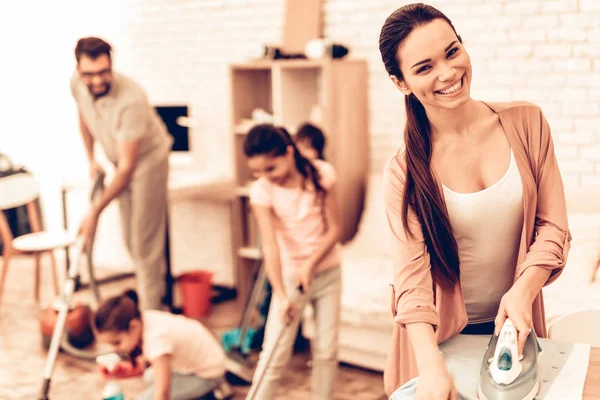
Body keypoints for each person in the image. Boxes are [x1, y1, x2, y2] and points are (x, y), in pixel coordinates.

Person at [378, 4, 571, 399]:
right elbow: (412, 285)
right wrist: (431, 370)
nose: (448, 74)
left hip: (514, 331)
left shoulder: (527, 123)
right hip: (437, 345)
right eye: (424, 67)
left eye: (452, 52)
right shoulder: (403, 172)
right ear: (401, 83)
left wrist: (522, 292)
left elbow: (553, 227)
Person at [70, 37, 173, 310]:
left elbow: (128, 168)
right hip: (121, 161)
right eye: (89, 74)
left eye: (104, 72)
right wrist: (91, 158)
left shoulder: (132, 100)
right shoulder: (77, 83)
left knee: (145, 244)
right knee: (131, 240)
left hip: (147, 161)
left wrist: (94, 212)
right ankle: (149, 304)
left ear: (112, 64)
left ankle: (150, 320)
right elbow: (84, 116)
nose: (96, 80)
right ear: (79, 68)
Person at [243, 124, 342, 399]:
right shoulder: (262, 191)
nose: (265, 177)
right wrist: (281, 293)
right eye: (257, 172)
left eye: (270, 168)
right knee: (274, 354)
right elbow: (271, 247)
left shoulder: (321, 174)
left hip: (329, 272)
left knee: (326, 350)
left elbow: (335, 229)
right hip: (288, 280)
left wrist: (309, 265)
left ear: (288, 153)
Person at [95, 289, 226, 400]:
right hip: (191, 363)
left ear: (133, 326)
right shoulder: (143, 319)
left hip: (208, 374)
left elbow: (162, 394)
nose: (116, 349)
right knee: (149, 376)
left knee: (144, 398)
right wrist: (125, 371)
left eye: (117, 343)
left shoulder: (157, 339)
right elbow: (152, 362)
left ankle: (215, 389)